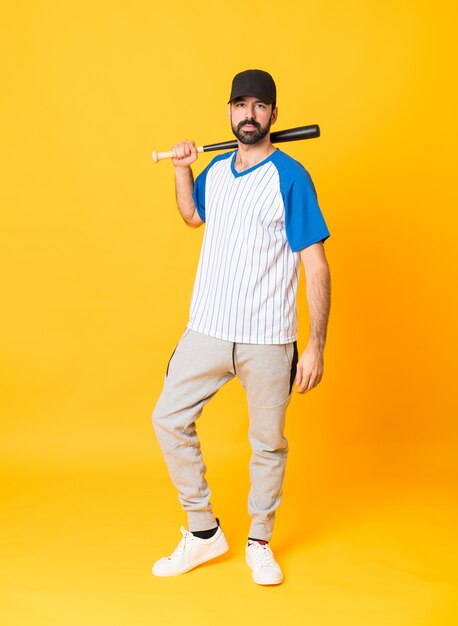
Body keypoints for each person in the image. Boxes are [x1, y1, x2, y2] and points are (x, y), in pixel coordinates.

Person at [151, 69, 331, 585]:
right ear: (229, 112)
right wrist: (183, 168)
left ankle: (259, 541)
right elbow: (192, 215)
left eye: (258, 106)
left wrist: (315, 346)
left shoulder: (290, 177)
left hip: (268, 337)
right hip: (207, 327)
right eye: (239, 105)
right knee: (168, 418)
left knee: (268, 443)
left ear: (274, 114)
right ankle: (204, 534)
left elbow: (316, 265)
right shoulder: (217, 170)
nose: (248, 115)